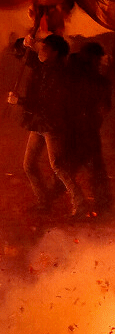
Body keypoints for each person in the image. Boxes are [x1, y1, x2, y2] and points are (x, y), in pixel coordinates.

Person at [8, 34, 85, 216]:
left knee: (58, 165)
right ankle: (44, 202)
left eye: (45, 48)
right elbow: (19, 53)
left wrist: (20, 101)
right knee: (29, 164)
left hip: (52, 124)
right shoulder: (42, 65)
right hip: (39, 123)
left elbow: (46, 103)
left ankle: (80, 203)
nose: (41, 50)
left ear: (55, 53)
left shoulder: (59, 74)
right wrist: (23, 43)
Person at [67, 42, 112, 213]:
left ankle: (100, 204)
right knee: (81, 166)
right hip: (82, 125)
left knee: (71, 166)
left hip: (84, 125)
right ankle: (102, 204)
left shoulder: (85, 71)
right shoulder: (86, 73)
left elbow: (103, 103)